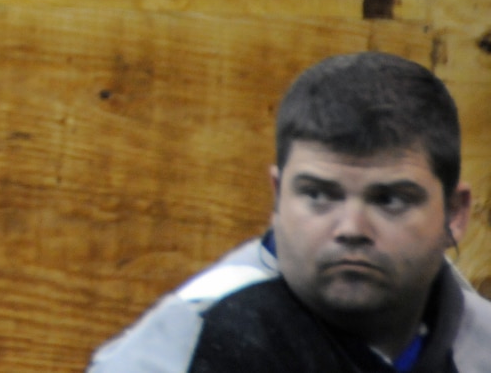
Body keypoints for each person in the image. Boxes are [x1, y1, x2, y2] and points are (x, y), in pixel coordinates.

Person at [86, 51, 491, 373]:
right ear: (278, 196)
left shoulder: (480, 341)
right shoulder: (193, 343)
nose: (351, 229)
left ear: (454, 214)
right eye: (318, 195)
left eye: (390, 200)